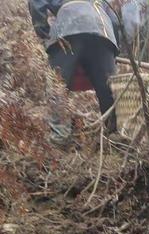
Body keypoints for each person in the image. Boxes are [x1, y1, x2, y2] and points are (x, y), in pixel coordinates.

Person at [28, 0, 120, 141]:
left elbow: (37, 2)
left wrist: (44, 31)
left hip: (67, 27)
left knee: (58, 83)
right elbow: (114, 20)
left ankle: (60, 136)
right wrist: (113, 49)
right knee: (108, 87)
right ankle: (112, 133)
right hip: (103, 30)